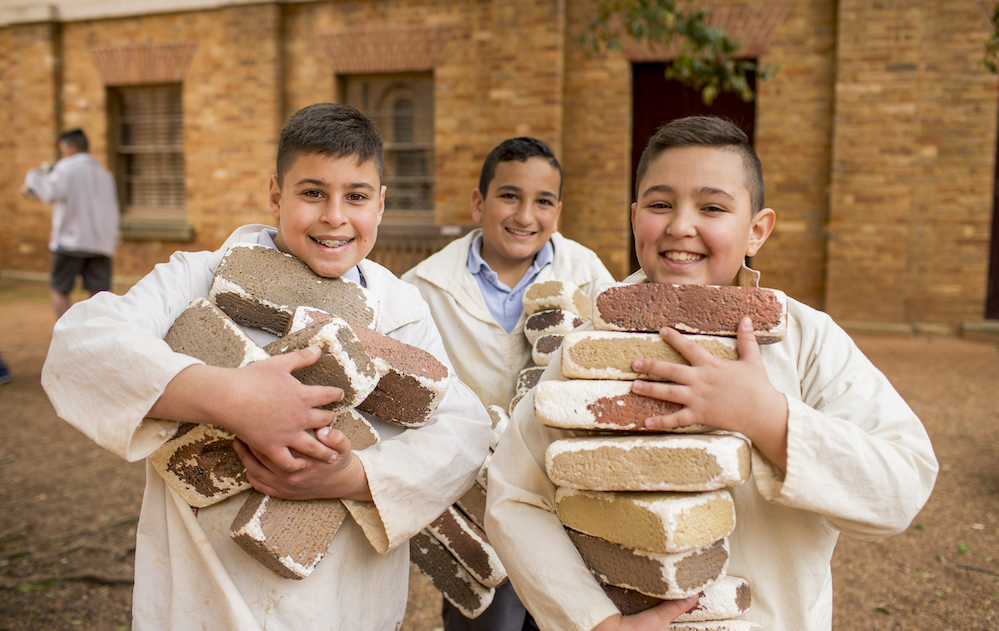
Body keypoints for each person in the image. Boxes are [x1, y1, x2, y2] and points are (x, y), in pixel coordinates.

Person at [40, 103, 491, 630]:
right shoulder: (196, 277)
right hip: (202, 594)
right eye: (313, 192)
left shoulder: (401, 312)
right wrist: (230, 397)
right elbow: (81, 343)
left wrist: (352, 475)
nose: (335, 216)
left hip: (344, 603)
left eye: (357, 196)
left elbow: (463, 429)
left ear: (381, 204)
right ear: (277, 194)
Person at [483, 116, 939, 631]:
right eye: (660, 205)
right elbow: (515, 496)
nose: (681, 225)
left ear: (756, 230)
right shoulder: (590, 347)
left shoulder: (807, 342)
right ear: (635, 220)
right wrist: (593, 621)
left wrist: (767, 418)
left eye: (713, 207)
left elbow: (902, 487)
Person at [403, 137, 616, 630]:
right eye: (509, 196)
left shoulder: (591, 279)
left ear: (557, 212)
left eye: (543, 201)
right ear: (479, 202)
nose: (525, 215)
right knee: (485, 615)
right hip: (474, 504)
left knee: (568, 611)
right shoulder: (422, 287)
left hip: (564, 500)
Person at [23, 128, 120, 318]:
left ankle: (68, 336)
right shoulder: (105, 174)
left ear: (71, 147)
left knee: (59, 289)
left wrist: (36, 175)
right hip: (101, 242)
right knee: (100, 295)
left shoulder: (67, 167)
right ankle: (101, 337)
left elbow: (49, 193)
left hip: (71, 241)